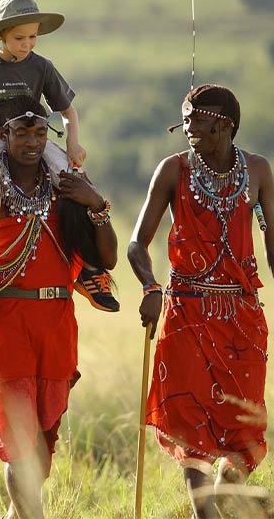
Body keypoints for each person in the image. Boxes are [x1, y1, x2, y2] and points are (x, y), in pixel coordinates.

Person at [0, 95, 117, 518]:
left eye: (40, 132)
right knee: (19, 447)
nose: (31, 141)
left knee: (43, 446)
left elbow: (108, 259)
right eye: (22, 132)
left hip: (57, 321)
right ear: (3, 134)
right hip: (6, 321)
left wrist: (95, 203)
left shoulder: (66, 186)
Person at [128, 84, 272, 519]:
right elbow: (137, 244)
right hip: (186, 311)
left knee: (241, 426)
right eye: (185, 119)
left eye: (199, 119)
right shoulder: (173, 170)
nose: (189, 127)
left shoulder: (260, 171)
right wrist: (152, 288)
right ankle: (204, 513)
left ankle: (224, 498)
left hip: (242, 316)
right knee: (189, 421)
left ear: (225, 124)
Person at [0, 0, 118, 314]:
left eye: (33, 37)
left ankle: (89, 269)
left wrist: (72, 143)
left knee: (75, 181)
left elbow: (67, 110)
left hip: (35, 136)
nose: (27, 44)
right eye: (19, 38)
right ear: (1, 35)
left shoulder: (42, 66)